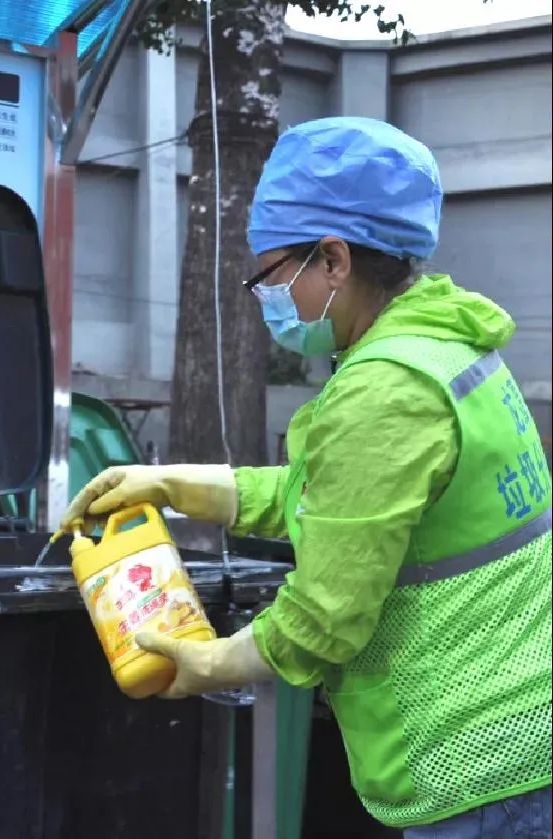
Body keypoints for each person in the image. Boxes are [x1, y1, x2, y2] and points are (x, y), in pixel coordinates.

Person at [62, 117, 552, 839]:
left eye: (270, 275)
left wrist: (210, 662)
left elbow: (324, 615)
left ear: (334, 260)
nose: (266, 299)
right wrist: (169, 484)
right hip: (519, 723)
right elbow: (331, 496)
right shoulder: (446, 344)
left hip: (474, 765)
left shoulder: (386, 390)